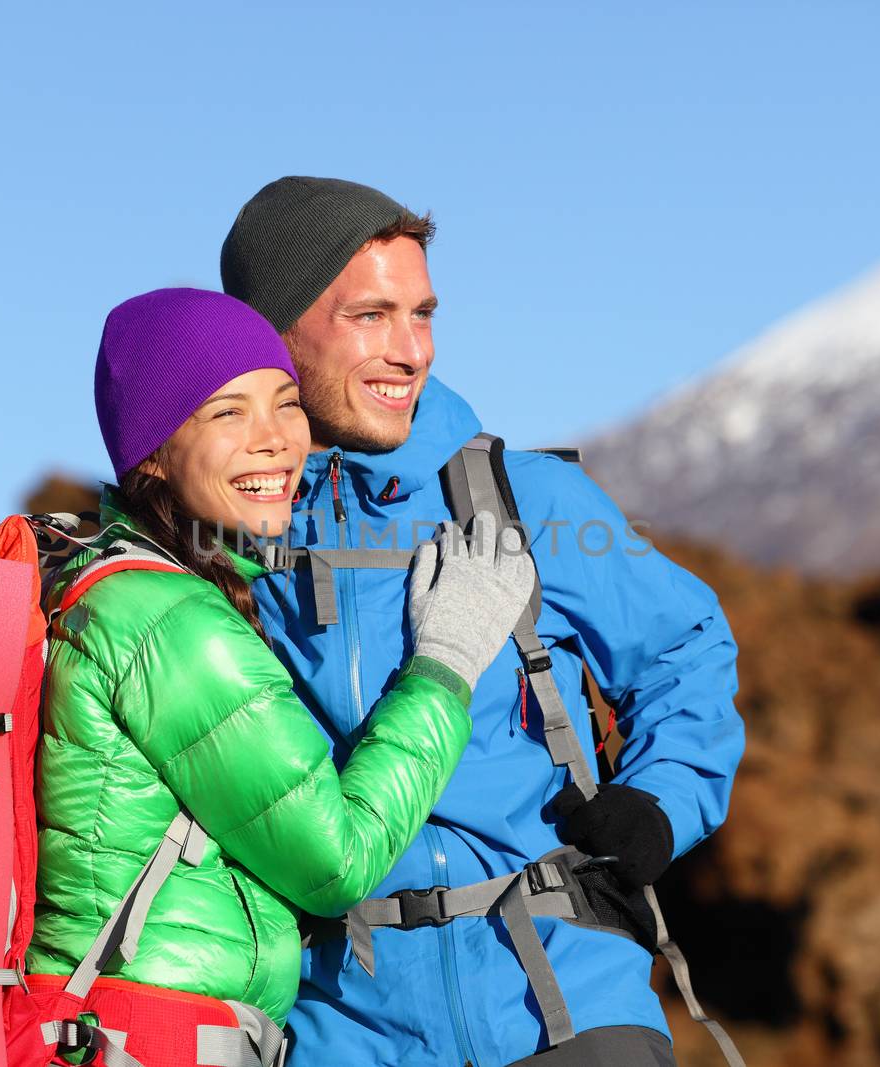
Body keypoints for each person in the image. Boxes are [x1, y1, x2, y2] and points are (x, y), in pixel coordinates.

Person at [221, 178, 746, 1066]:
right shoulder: (229, 540)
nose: (410, 350)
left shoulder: (524, 500)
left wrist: (659, 802)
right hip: (340, 1033)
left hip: (566, 1009)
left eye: (422, 313)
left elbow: (685, 650)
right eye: (371, 316)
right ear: (272, 332)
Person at [24, 287, 537, 1035]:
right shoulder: (172, 624)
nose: (276, 439)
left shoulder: (129, 593)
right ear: (155, 456)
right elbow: (337, 861)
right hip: (140, 1033)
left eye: (286, 403)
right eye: (228, 412)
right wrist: (446, 662)